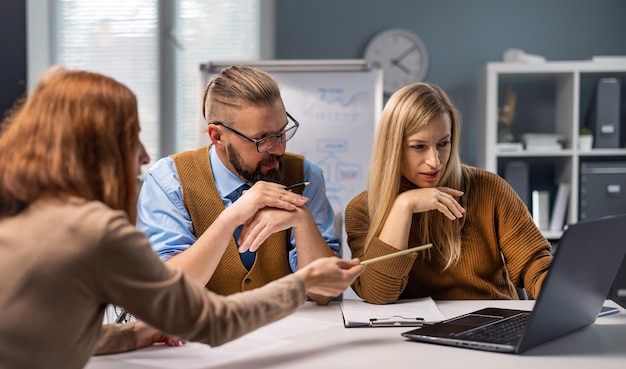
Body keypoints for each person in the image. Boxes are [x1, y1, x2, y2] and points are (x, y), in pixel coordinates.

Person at [0, 67, 364, 369]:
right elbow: (211, 321)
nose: (143, 157)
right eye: (131, 141)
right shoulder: (97, 229)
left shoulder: (22, 216)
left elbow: (49, 332)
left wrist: (132, 335)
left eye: (281, 132)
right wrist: (302, 282)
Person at [137, 65, 340, 304]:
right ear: (218, 136)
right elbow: (169, 291)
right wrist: (229, 219)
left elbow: (325, 292)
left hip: (289, 334)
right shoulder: (169, 181)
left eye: (282, 132)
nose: (279, 149)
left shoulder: (306, 174)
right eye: (262, 139)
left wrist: (302, 219)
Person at [345, 82, 552, 305]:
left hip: (490, 324)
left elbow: (535, 264)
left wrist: (559, 291)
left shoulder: (489, 188)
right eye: (418, 146)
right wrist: (403, 206)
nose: (435, 161)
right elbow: (378, 294)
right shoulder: (362, 210)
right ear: (392, 146)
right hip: (410, 335)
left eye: (443, 144)